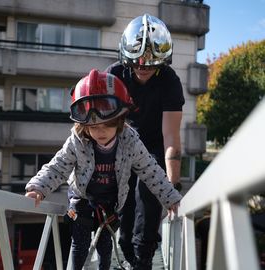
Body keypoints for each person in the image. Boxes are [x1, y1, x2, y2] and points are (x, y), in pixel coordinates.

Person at [24, 69, 182, 270]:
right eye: (93, 126)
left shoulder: (130, 141)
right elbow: (58, 166)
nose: (100, 132)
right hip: (82, 198)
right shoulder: (76, 141)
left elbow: (150, 170)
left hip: (111, 201)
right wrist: (39, 187)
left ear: (120, 120)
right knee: (79, 243)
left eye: (107, 125)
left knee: (105, 245)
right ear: (83, 124)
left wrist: (170, 197)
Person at [106, 13, 185, 269]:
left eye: (150, 64)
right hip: (123, 143)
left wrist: (171, 185)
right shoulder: (115, 75)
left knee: (149, 192)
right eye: (138, 63)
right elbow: (103, 124)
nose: (143, 67)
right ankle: (127, 248)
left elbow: (171, 136)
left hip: (154, 146)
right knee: (125, 201)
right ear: (126, 58)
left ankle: (144, 257)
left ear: (162, 61)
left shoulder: (170, 81)